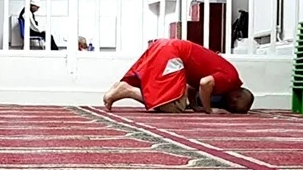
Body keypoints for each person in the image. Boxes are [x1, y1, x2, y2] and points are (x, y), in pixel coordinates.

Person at [102, 38, 254, 114]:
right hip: (173, 53)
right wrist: (209, 110)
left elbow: (193, 85)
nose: (228, 107)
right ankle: (127, 90)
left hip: (167, 46)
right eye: (233, 106)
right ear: (238, 96)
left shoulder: (228, 77)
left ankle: (120, 88)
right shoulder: (230, 79)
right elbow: (204, 83)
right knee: (174, 107)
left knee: (170, 95)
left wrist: (195, 106)